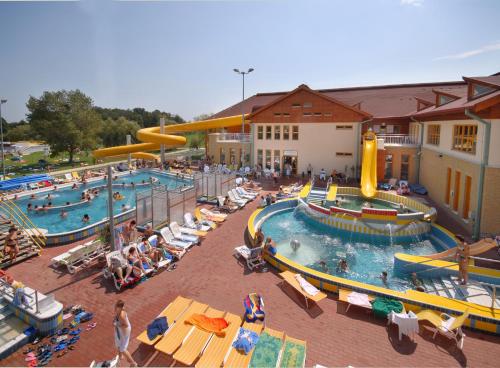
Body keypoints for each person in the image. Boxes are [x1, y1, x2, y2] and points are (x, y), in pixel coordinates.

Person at [113, 300, 138, 367]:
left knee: (123, 349)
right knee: (118, 343)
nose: (115, 307)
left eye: (117, 306)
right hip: (120, 330)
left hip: (125, 331)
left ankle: (133, 363)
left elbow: (126, 325)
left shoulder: (122, 315)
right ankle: (120, 356)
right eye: (116, 305)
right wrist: (115, 321)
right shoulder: (118, 310)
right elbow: (117, 318)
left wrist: (117, 325)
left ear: (120, 307)